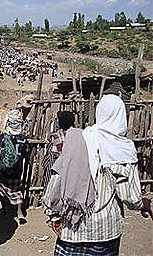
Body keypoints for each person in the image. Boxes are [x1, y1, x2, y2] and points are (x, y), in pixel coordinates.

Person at [43, 94, 152, 255]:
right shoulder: (122, 150)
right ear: (122, 116)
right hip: (104, 233)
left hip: (73, 229)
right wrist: (143, 203)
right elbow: (131, 197)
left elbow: (57, 181)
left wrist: (53, 216)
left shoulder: (79, 140)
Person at [0, 109, 29, 224]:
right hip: (17, 170)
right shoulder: (23, 138)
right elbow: (25, 153)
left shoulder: (4, 137)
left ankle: (5, 209)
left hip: (4, 170)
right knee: (17, 189)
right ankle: (19, 211)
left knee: (1, 187)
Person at [42, 111, 75, 190]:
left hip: (58, 174)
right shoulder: (78, 136)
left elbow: (49, 159)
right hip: (72, 173)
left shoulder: (55, 137)